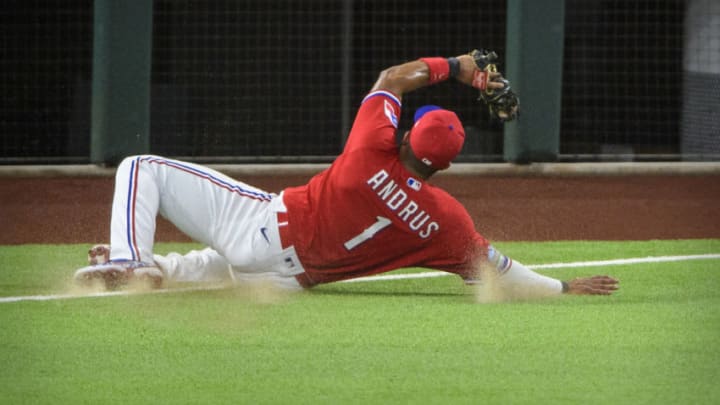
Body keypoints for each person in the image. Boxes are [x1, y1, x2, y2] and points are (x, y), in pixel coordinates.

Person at [74, 50, 619, 299]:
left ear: (407, 138)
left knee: (140, 167)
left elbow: (391, 79)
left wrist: (457, 70)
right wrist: (565, 287)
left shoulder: (370, 151)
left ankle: (130, 260)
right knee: (222, 261)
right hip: (287, 281)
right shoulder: (444, 220)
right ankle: (156, 270)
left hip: (267, 230)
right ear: (444, 165)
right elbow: (499, 272)